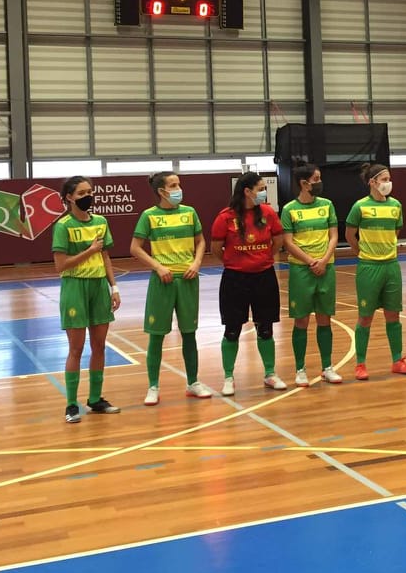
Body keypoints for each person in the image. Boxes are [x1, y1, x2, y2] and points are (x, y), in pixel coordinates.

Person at [129, 171, 210, 406]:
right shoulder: (149, 216)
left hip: (187, 280)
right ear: (161, 191)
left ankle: (193, 382)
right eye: (173, 185)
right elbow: (135, 247)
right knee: (156, 336)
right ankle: (153, 386)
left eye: (179, 184)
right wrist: (158, 267)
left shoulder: (189, 212)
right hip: (162, 282)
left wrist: (196, 263)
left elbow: (201, 241)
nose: (178, 189)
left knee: (189, 334)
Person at [51, 175, 121, 423]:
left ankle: (95, 399)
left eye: (89, 192)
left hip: (99, 287)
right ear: (69, 197)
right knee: (76, 348)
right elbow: (60, 266)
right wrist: (89, 250)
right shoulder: (63, 226)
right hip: (74, 288)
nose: (87, 197)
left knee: (99, 346)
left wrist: (114, 287)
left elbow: (106, 258)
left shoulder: (101, 222)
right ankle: (71, 404)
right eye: (81, 193)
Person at [210, 172, 286, 395]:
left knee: (266, 328)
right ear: (247, 191)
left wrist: (262, 259)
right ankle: (228, 377)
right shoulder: (225, 217)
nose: (263, 192)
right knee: (232, 329)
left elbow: (278, 241)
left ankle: (270, 374)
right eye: (260, 188)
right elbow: (216, 248)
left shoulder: (268, 213)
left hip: (264, 277)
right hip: (235, 279)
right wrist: (234, 262)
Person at [346, 163, 406, 379]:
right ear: (372, 182)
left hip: (391, 266)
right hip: (369, 267)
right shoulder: (360, 207)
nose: (388, 183)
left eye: (389, 179)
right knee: (365, 317)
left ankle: (397, 360)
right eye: (384, 180)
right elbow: (350, 234)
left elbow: (396, 230)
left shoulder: (396, 205)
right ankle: (360, 364)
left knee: (393, 315)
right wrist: (361, 253)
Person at [281, 162, 344, 386]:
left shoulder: (327, 205)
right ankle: (300, 369)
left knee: (325, 318)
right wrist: (310, 261)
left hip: (326, 267)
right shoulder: (289, 209)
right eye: (316, 179)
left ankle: (327, 367)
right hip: (301, 270)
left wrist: (324, 260)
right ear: (304, 183)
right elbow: (287, 242)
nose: (319, 183)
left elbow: (334, 235)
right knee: (302, 320)